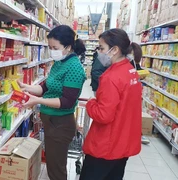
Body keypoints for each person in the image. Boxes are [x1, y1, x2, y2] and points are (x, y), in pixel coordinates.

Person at [18, 25, 86, 180]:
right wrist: (27, 87)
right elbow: (45, 87)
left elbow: (67, 102)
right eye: (49, 47)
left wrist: (38, 101)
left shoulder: (74, 67)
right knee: (53, 164)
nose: (51, 51)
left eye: (55, 47)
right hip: (51, 122)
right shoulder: (59, 63)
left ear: (68, 47)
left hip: (60, 124)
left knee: (56, 170)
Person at [80, 28, 142, 180]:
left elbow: (104, 115)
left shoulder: (111, 77)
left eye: (101, 48)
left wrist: (91, 104)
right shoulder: (131, 71)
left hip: (106, 145)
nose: (99, 52)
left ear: (114, 50)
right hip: (124, 142)